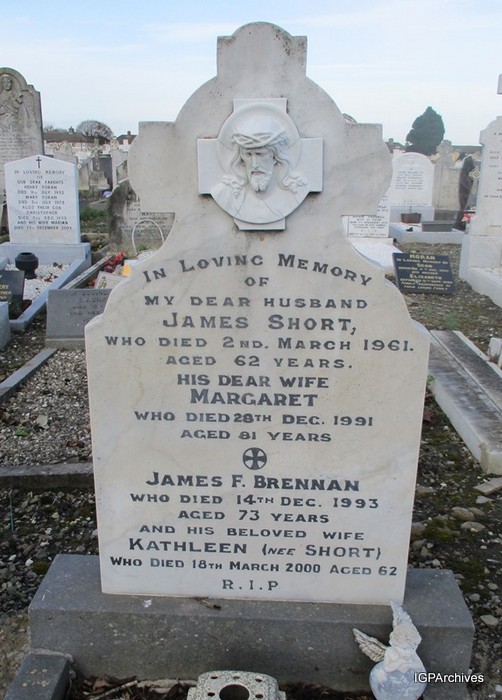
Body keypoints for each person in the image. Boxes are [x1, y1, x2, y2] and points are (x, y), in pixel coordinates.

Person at [211, 120, 308, 225]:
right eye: (248, 154)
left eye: (260, 154)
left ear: (275, 156)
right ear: (241, 157)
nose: (254, 164)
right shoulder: (224, 195)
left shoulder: (296, 192)